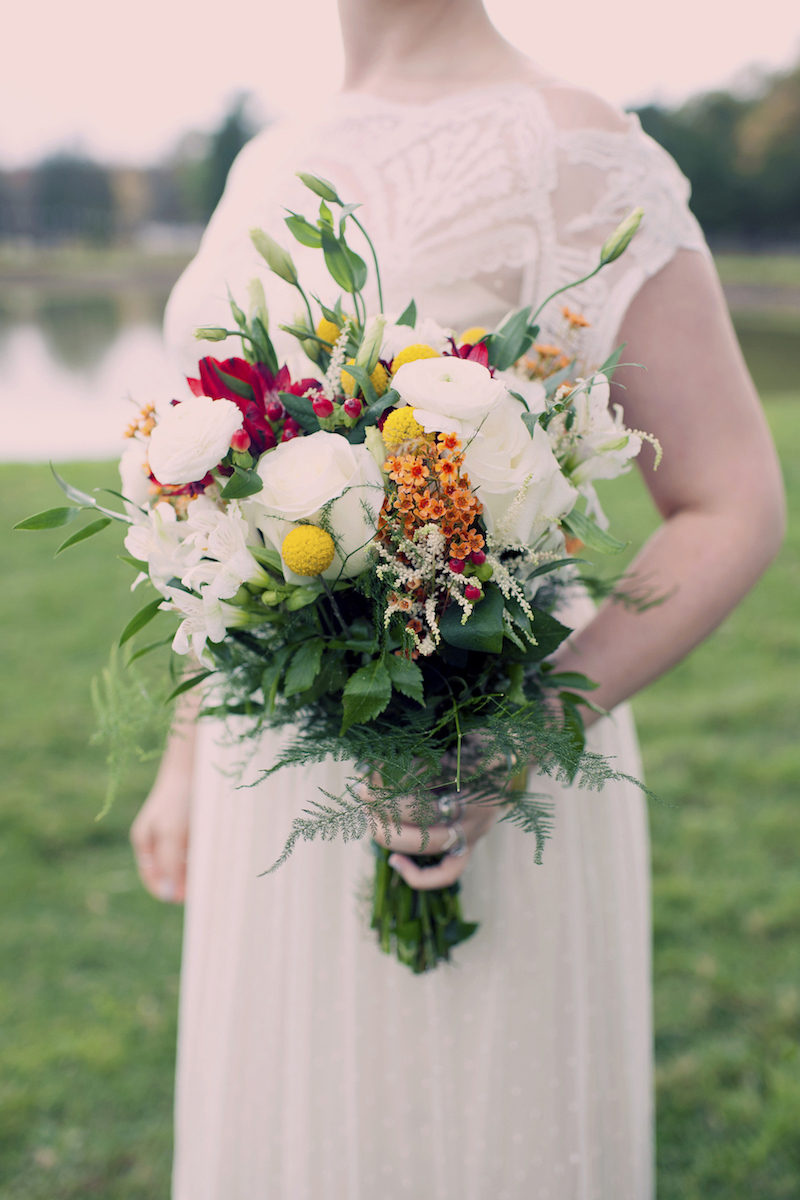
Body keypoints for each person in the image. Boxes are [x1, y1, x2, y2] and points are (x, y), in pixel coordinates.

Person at [130, 1, 785, 1195]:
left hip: (481, 736)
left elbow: (733, 500)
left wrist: (516, 727)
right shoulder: (263, 158)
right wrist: (184, 753)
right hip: (264, 766)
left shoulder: (577, 150)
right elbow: (222, 504)